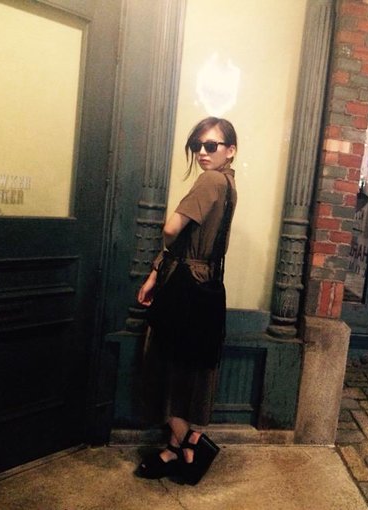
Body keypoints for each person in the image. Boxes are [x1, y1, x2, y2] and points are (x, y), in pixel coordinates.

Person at [135, 117, 238, 484]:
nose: (202, 152)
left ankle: (181, 449)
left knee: (167, 366)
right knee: (192, 368)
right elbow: (190, 241)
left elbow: (171, 230)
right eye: (198, 145)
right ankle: (184, 445)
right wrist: (154, 271)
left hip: (184, 285)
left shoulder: (209, 180)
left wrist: (160, 270)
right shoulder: (230, 185)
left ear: (230, 150)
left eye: (211, 145)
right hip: (205, 282)